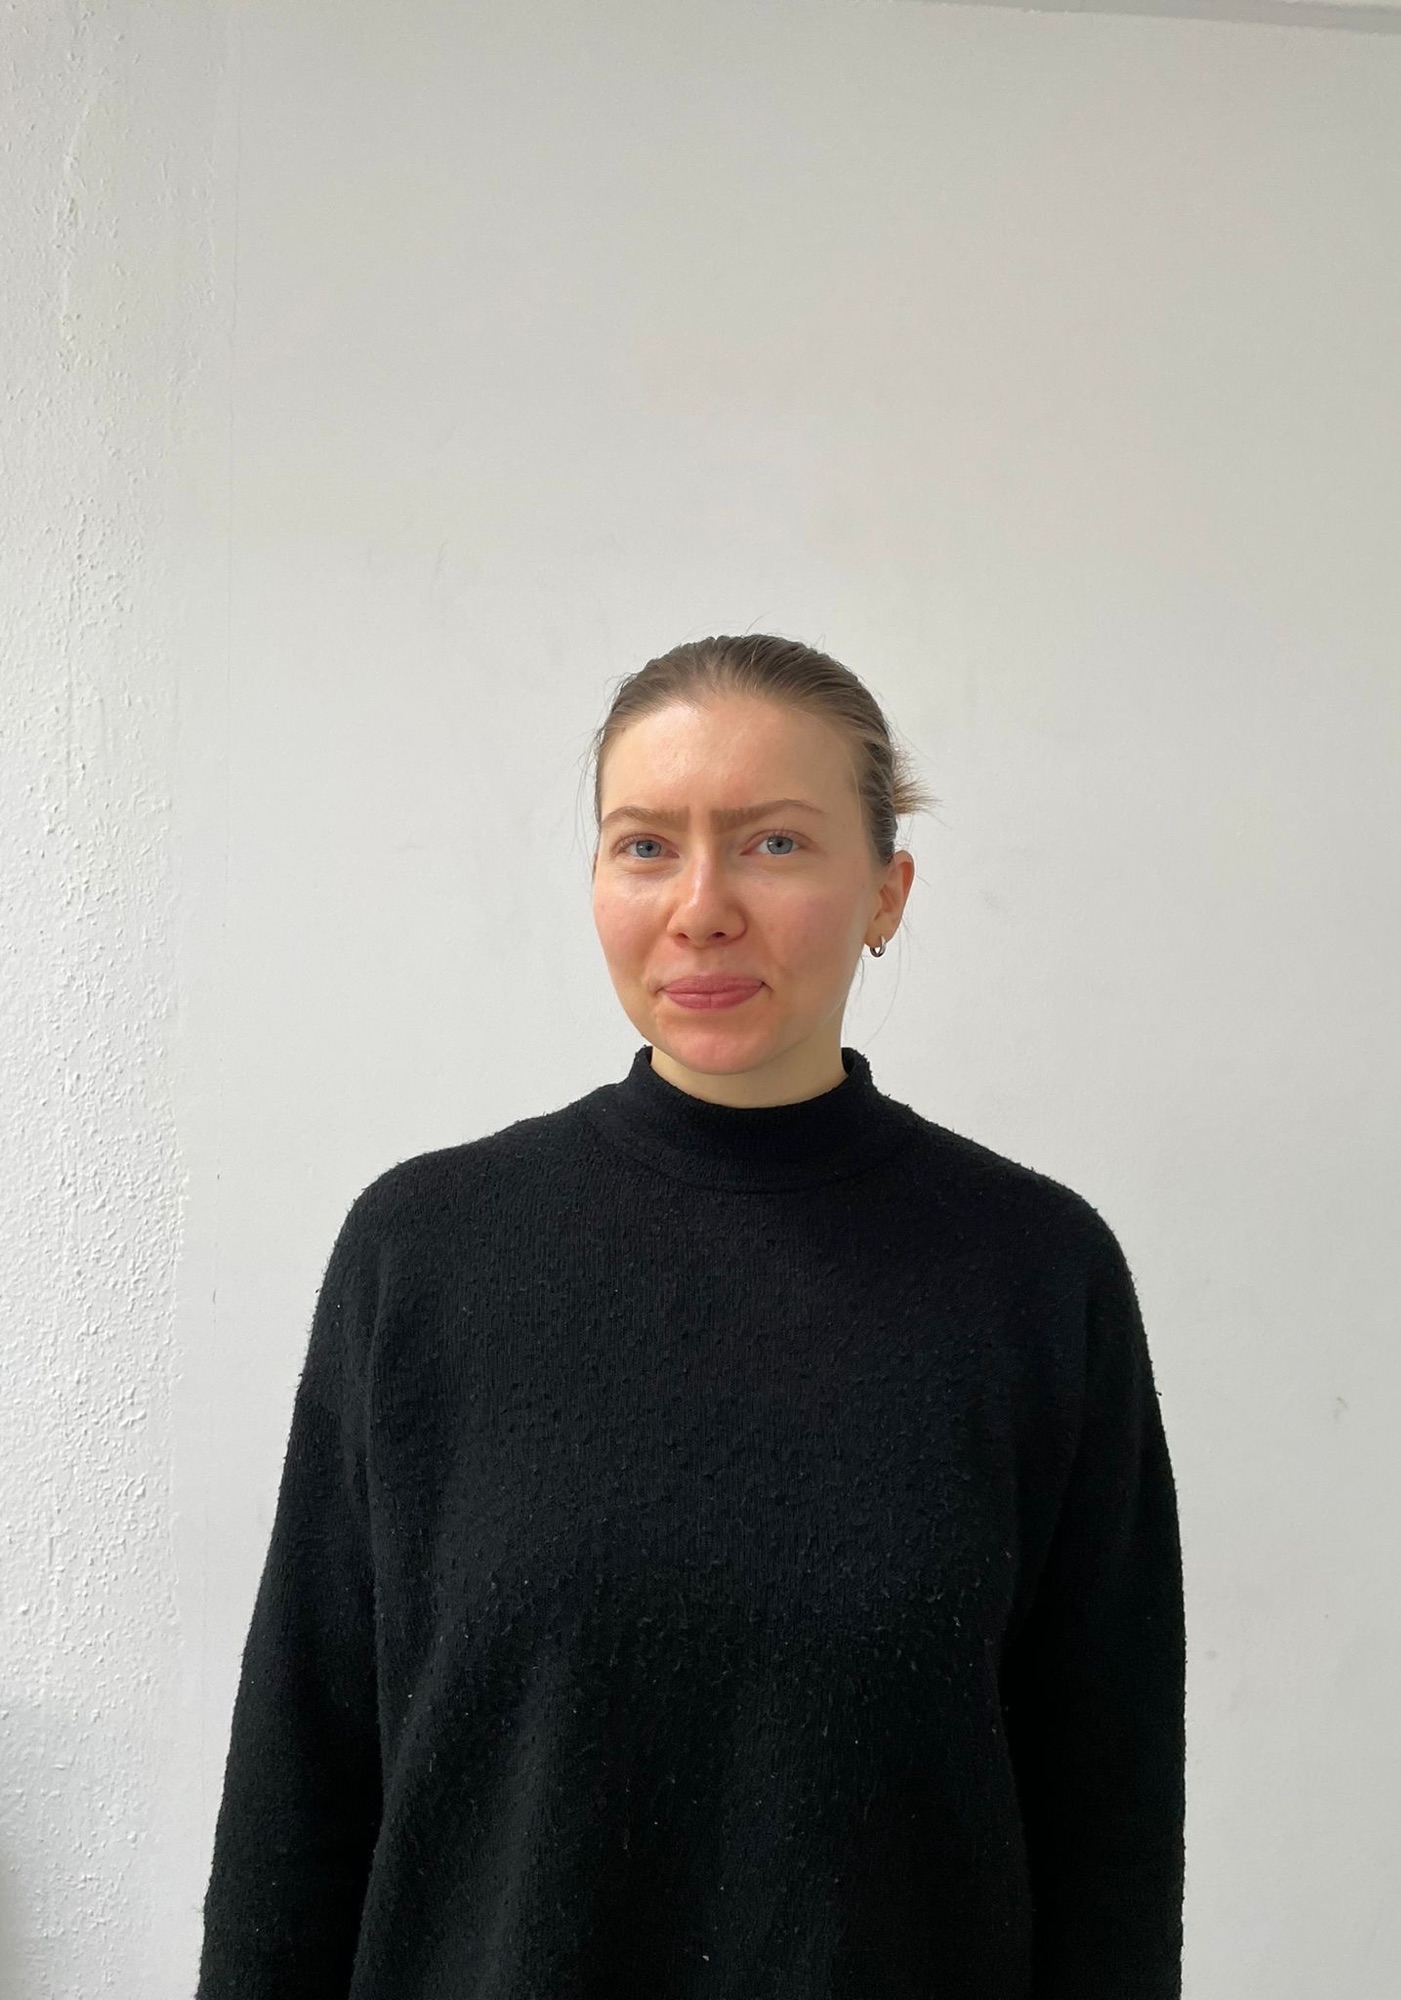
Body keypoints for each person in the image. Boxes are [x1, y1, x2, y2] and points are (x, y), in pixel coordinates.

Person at [196, 631, 1186, 1999]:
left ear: (887, 891)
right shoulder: (423, 1255)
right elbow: (299, 1787)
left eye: (774, 843)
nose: (702, 906)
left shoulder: (1037, 1275)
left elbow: (1108, 1831)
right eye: (646, 846)